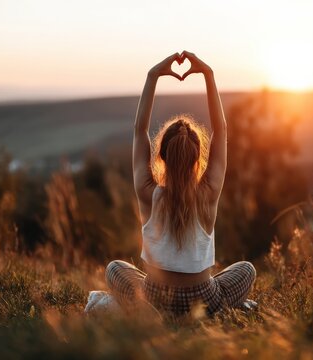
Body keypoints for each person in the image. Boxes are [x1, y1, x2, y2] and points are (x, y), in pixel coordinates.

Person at [104, 51, 256, 316]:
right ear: (198, 158)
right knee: (246, 270)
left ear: (161, 155)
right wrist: (208, 74)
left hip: (155, 298)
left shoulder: (148, 193)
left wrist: (153, 76)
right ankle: (218, 312)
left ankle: (150, 313)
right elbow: (221, 130)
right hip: (204, 299)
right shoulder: (208, 194)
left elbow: (139, 130)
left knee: (115, 268)